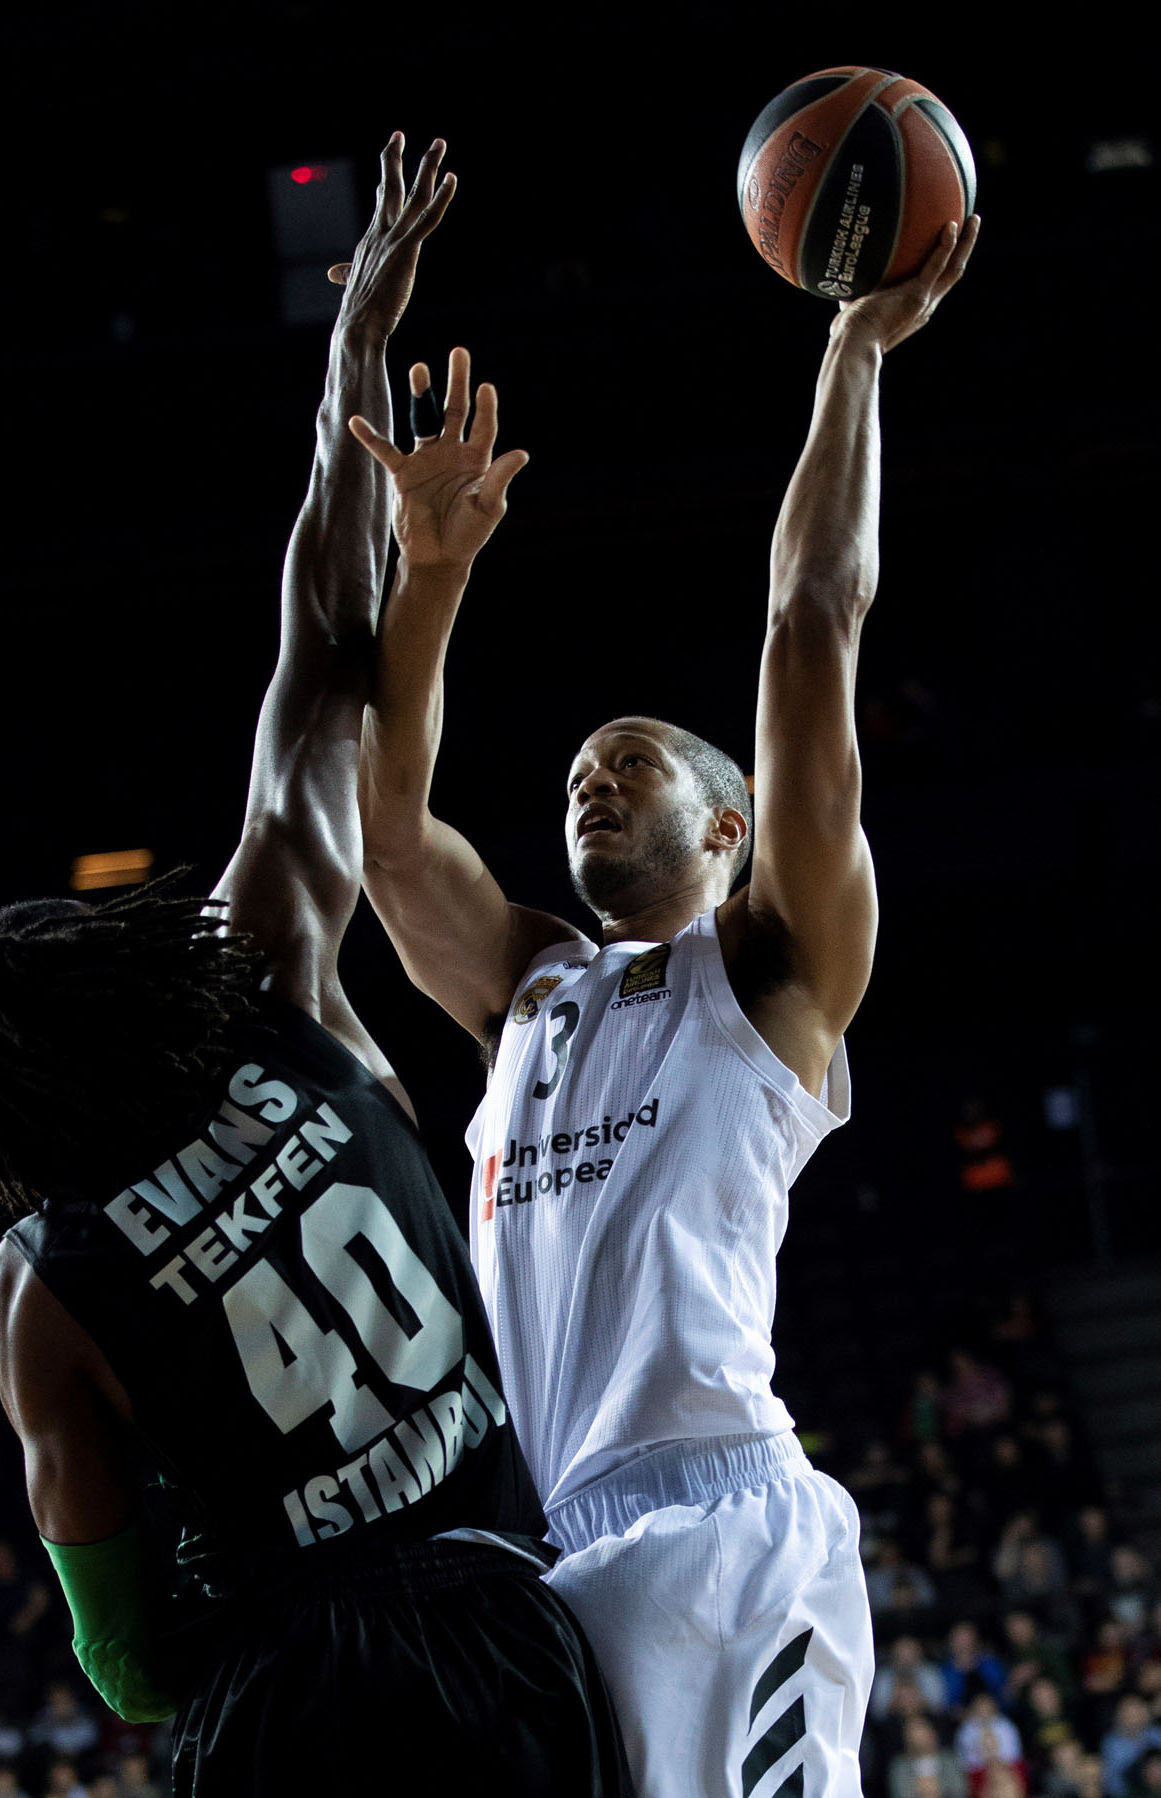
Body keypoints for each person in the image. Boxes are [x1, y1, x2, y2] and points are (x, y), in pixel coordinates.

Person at [0, 132, 630, 1798]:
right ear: (130, 968)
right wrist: (354, 352)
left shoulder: (35, 1282)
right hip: (503, 1619)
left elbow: (131, 1663)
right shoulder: (263, 968)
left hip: (287, 1700)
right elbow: (318, 653)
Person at [353, 188, 979, 1792]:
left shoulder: (767, 968)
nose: (588, 782)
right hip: (556, 1549)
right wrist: (426, 579)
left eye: (628, 762)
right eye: (571, 771)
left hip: (721, 1529)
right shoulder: (527, 990)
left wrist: (852, 355)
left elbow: (808, 621)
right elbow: (379, 828)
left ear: (725, 824)